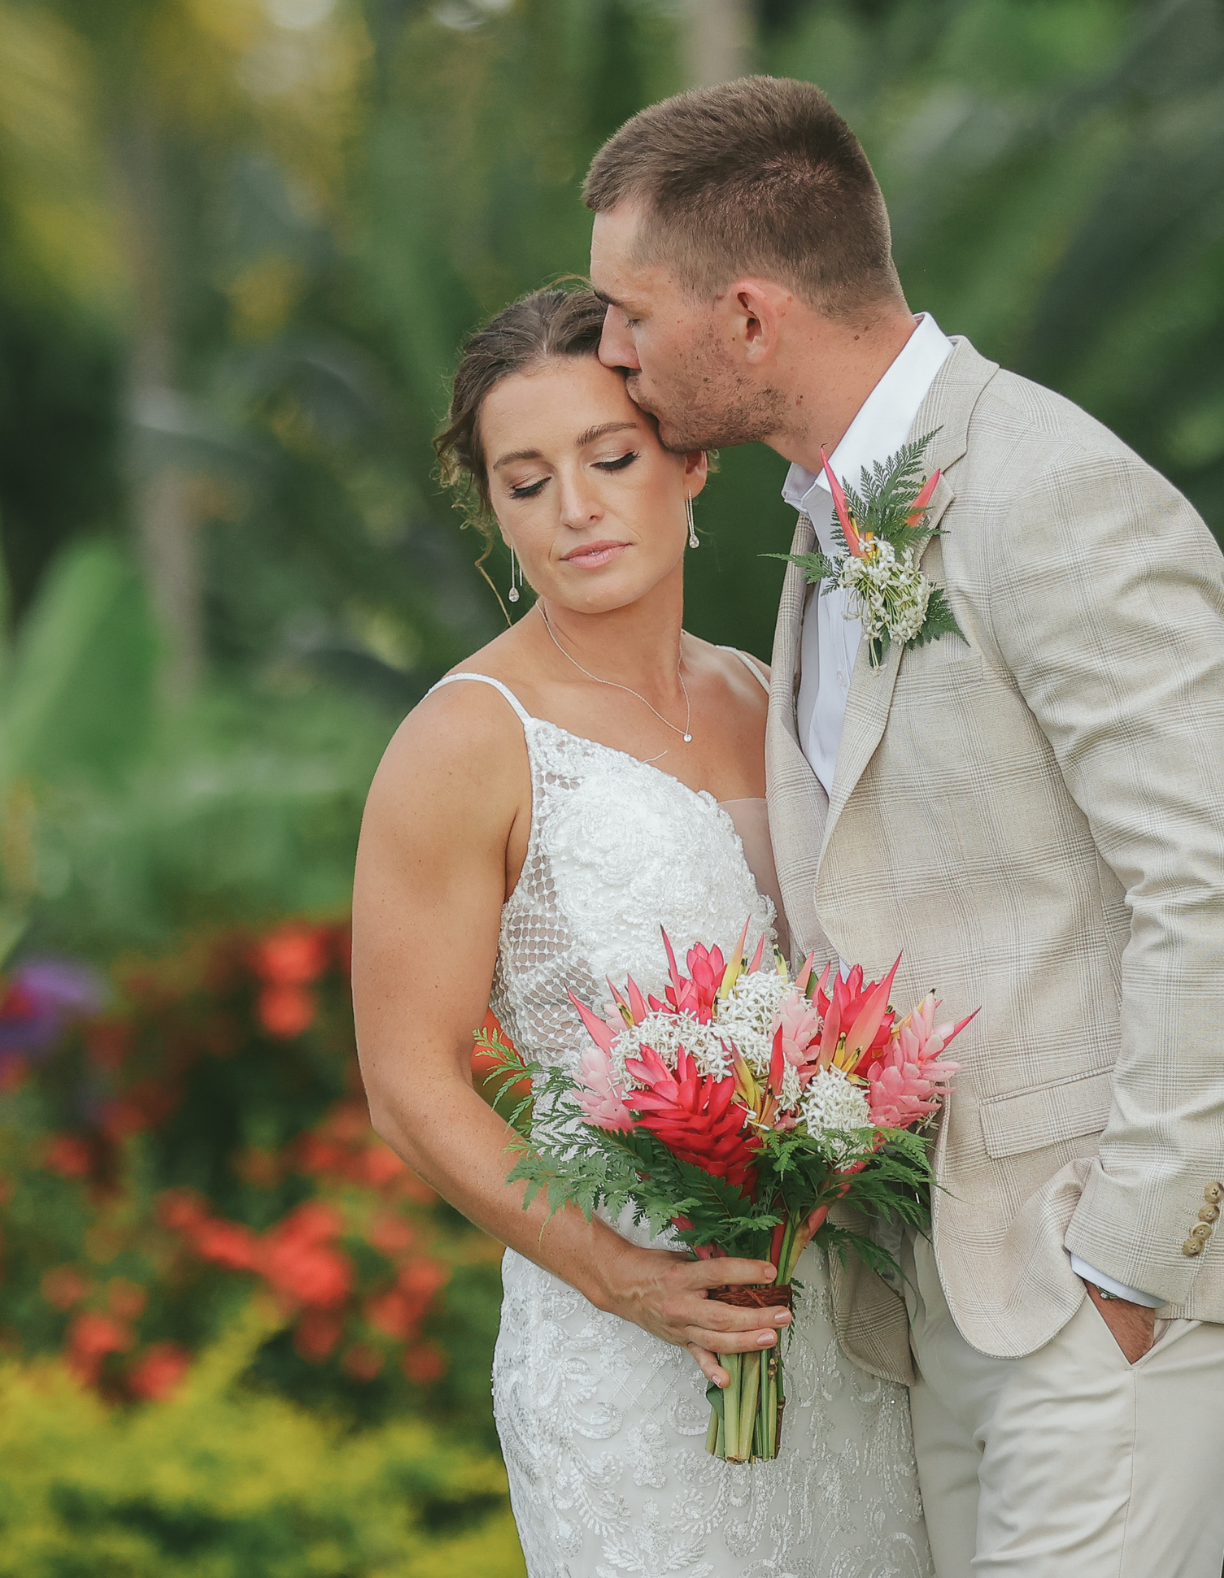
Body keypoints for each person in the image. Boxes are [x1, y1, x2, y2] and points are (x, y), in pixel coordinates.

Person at [581, 76, 1224, 1577]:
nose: (609, 351)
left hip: (1096, 1280)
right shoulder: (829, 521)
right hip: (942, 1293)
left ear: (749, 318)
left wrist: (1124, 1266)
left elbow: (1214, 897)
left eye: (628, 311)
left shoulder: (1058, 492)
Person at [351, 286, 932, 1578]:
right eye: (525, 480)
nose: (575, 506)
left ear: (690, 459)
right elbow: (407, 1080)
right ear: (495, 512)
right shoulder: (465, 740)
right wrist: (617, 1274)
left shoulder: (777, 698)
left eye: (609, 457)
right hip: (621, 1352)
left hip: (838, 1329)